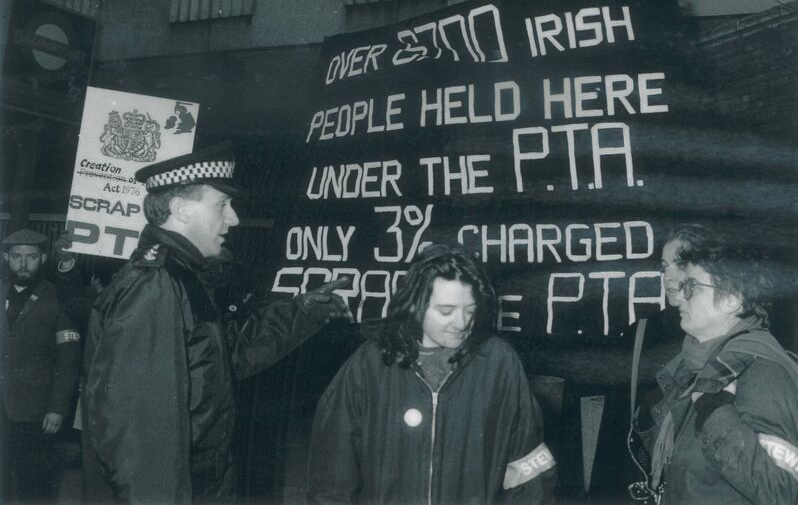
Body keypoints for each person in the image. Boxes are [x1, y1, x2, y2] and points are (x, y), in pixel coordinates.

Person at [81, 145, 352, 503]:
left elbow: (223, 356)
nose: (234, 219)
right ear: (180, 210)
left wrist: (300, 311)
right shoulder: (157, 286)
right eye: (222, 205)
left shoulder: (180, 276)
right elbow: (139, 434)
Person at [308, 243, 557, 504]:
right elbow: (332, 479)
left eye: (470, 310)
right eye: (446, 311)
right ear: (415, 305)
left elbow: (529, 473)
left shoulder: (498, 362)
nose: (462, 323)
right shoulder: (369, 364)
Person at [631, 226, 798, 504]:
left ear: (732, 299)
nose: (680, 296)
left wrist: (715, 413)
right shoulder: (699, 367)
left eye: (692, 287)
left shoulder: (763, 373)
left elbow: (782, 491)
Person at [0, 229, 82, 502]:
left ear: (44, 258)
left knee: (33, 485)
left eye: (31, 257)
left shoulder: (58, 298)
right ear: (5, 257)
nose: (23, 264)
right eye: (16, 256)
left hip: (35, 413)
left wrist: (57, 408)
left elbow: (68, 360)